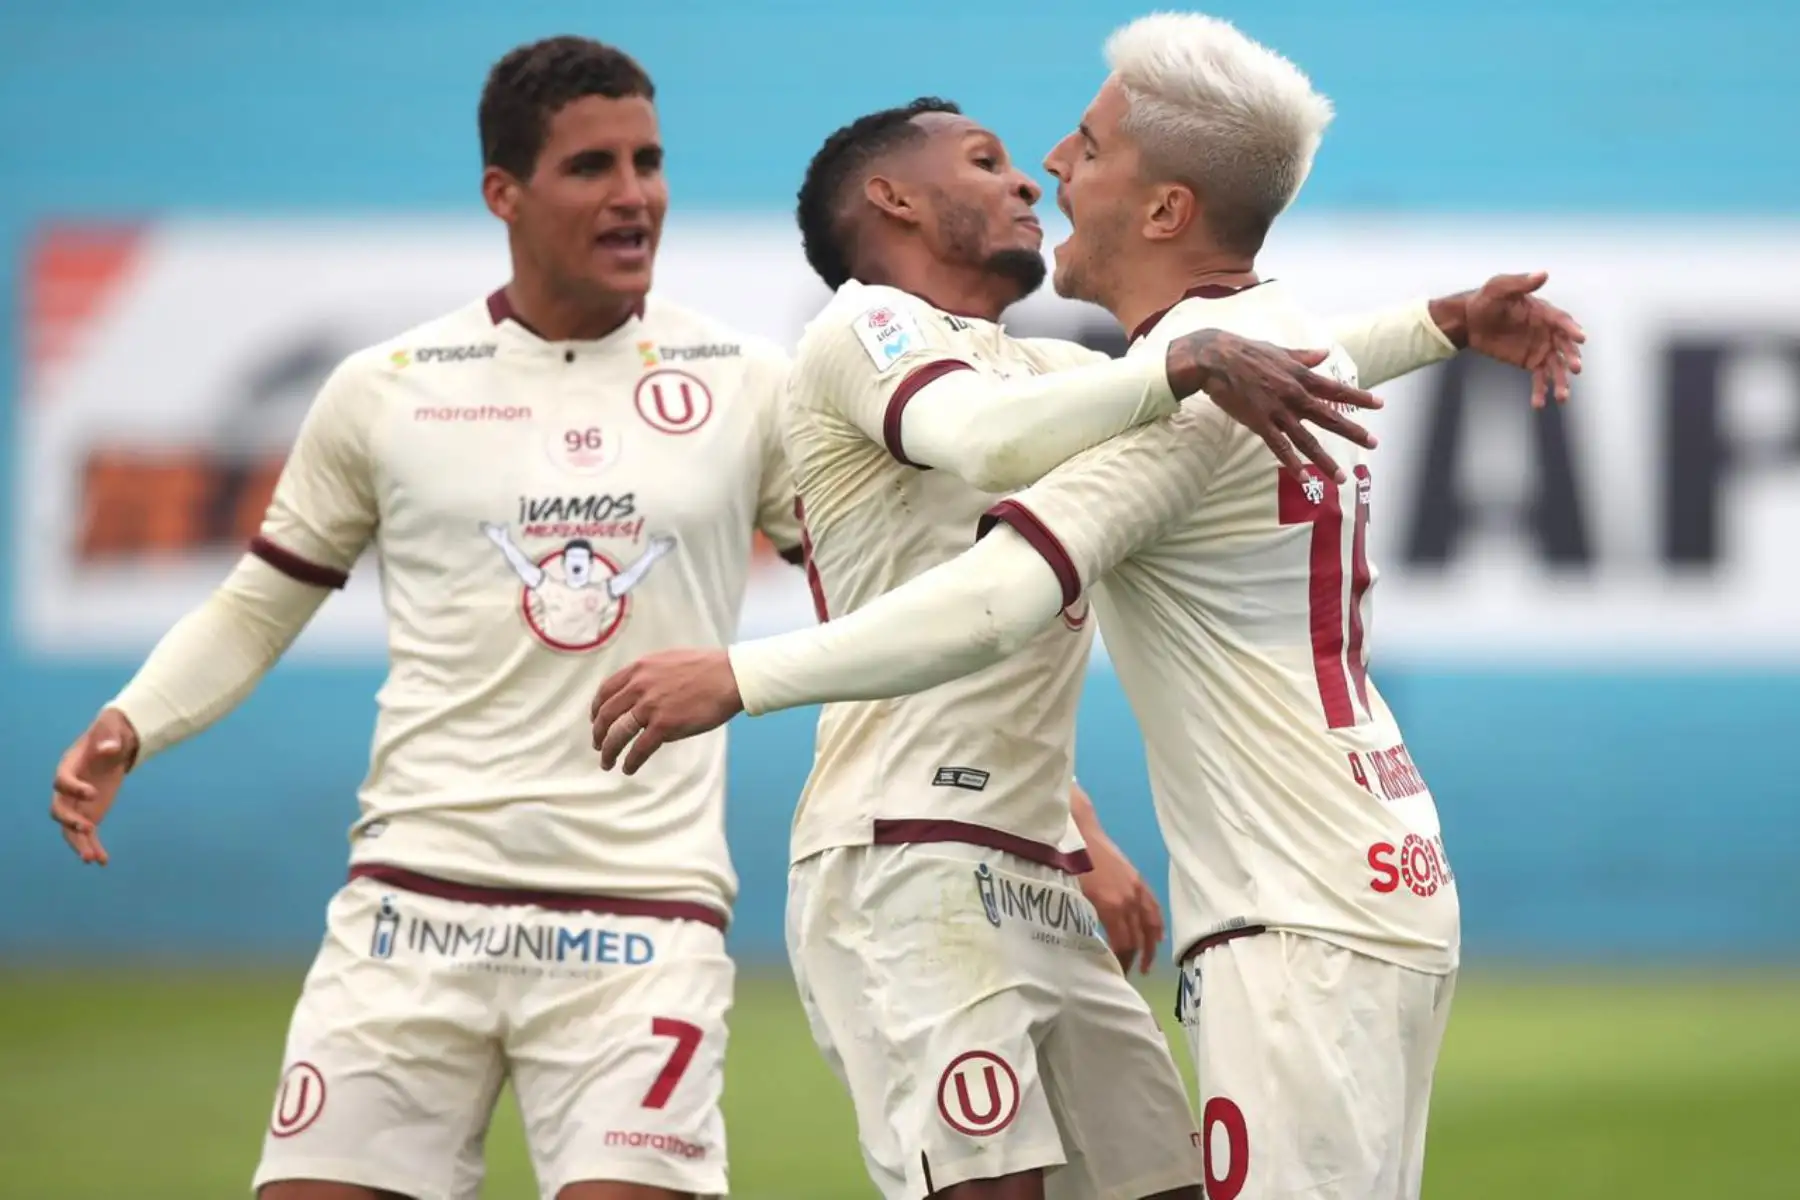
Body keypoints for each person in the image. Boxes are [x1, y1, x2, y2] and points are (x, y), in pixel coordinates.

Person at [591, 62, 1579, 1200]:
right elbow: (993, 449)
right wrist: (737, 674)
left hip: (1039, 863)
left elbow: (1253, 376)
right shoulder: (865, 328)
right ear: (893, 200)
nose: (1032, 179)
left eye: (1047, 157)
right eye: (985, 162)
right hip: (904, 847)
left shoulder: (1058, 373)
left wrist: (1441, 323)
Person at [48, 36, 808, 1200]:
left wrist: (1047, 806)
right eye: (591, 166)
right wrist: (133, 722)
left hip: (639, 925)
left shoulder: (751, 381)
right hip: (412, 912)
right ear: (503, 191)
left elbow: (882, 598)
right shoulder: (387, 386)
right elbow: (258, 605)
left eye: (648, 161)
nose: (633, 194)